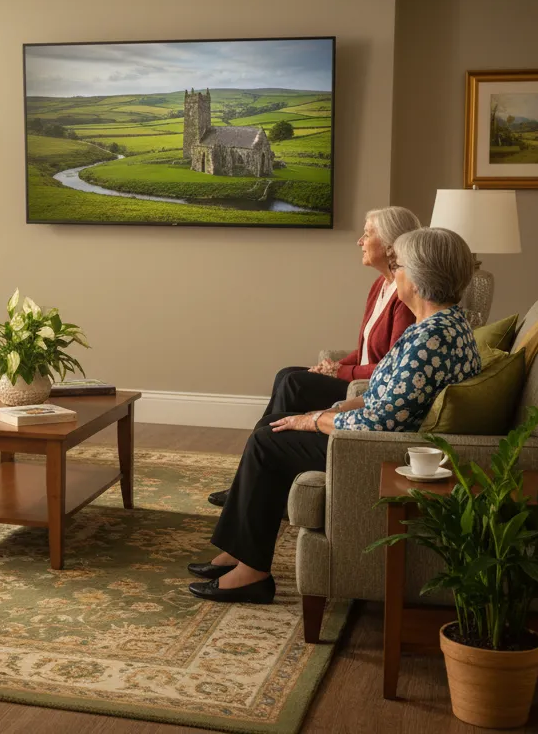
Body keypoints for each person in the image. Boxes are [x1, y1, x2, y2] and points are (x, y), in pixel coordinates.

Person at [189, 227, 480, 604]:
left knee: (268, 440)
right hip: (381, 436)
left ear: (420, 277)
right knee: (273, 425)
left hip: (381, 451)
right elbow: (388, 396)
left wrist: (313, 421)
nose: (397, 274)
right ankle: (239, 550)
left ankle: (252, 574)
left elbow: (382, 421)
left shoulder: (429, 338)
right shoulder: (443, 326)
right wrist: (332, 408)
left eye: (401, 266)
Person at [207, 206, 421, 508]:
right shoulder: (380, 285)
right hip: (357, 377)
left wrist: (340, 373)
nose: (360, 240)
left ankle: (261, 487)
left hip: (367, 390)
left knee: (294, 383)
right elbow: (364, 350)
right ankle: (252, 482)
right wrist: (336, 365)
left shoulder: (404, 297)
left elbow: (389, 367)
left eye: (367, 233)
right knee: (286, 375)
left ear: (389, 245)